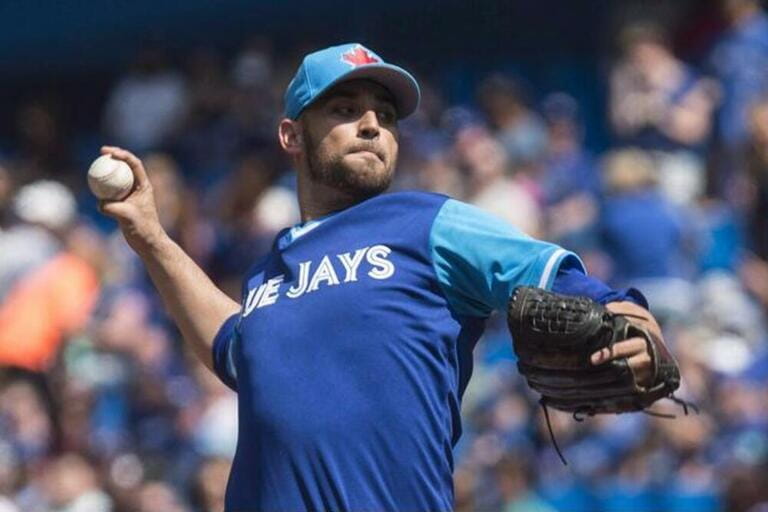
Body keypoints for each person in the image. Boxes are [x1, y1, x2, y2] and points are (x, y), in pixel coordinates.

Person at [98, 43, 668, 511]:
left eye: (386, 116)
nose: (371, 124)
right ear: (291, 136)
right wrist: (150, 236)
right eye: (344, 110)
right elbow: (230, 347)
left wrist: (624, 311)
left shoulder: (425, 222)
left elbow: (547, 272)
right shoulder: (267, 277)